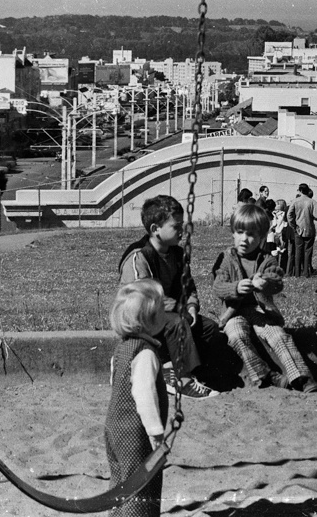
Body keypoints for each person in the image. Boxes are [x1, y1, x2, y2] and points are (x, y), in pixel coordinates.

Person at [118, 195, 225, 398]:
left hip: (172, 314)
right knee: (177, 323)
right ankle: (181, 380)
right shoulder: (139, 256)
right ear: (154, 229)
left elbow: (188, 286)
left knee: (209, 329)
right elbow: (142, 296)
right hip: (142, 318)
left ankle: (194, 373)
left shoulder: (176, 254)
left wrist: (192, 306)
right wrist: (179, 309)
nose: (182, 231)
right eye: (176, 226)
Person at [211, 203, 317, 393]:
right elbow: (218, 286)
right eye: (240, 232)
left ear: (262, 237)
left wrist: (265, 284)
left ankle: (301, 377)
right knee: (237, 336)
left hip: (259, 311)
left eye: (251, 234)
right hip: (233, 313)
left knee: (279, 336)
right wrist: (235, 287)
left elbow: (277, 280)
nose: (244, 239)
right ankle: (265, 374)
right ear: (233, 233)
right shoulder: (226, 258)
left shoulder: (266, 259)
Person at [105, 279, 168, 517]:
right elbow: (144, 397)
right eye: (162, 309)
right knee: (140, 486)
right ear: (150, 320)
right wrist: (156, 434)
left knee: (120, 480)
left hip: (113, 428)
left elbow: (116, 384)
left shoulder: (121, 348)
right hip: (136, 433)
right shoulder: (146, 354)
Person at [286, 183, 317, 278]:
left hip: (298, 229)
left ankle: (297, 273)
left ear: (300, 190)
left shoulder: (295, 201)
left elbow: (289, 215)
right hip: (309, 229)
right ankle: (306, 273)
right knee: (308, 251)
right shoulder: (312, 202)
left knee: (298, 251)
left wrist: (293, 225)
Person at [272, 198, 294, 277]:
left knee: (275, 253)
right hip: (282, 234)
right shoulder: (285, 215)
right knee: (283, 252)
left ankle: (275, 268)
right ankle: (282, 268)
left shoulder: (274, 214)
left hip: (275, 234)